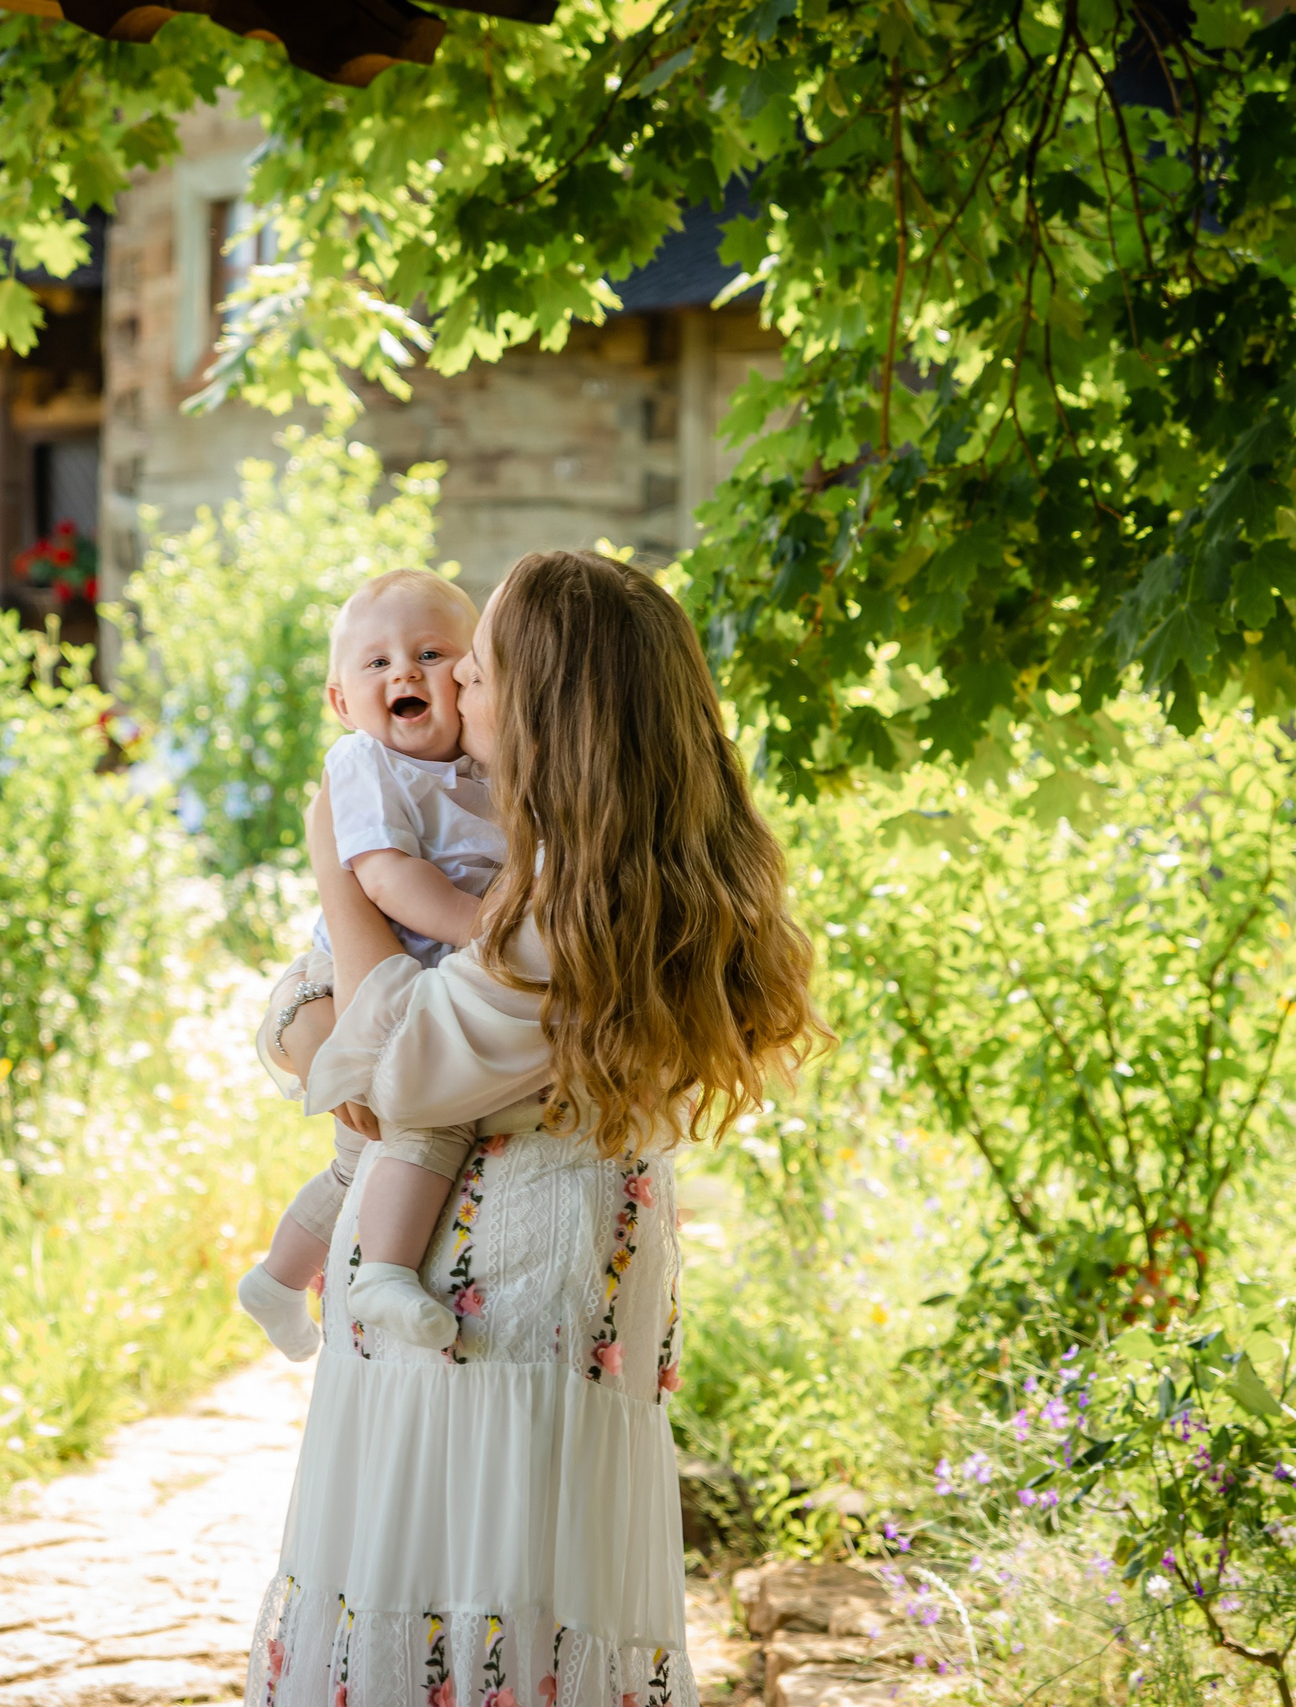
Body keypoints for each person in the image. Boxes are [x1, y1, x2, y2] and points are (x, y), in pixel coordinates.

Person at [246, 549, 820, 1707]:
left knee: (484, 1611)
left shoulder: (571, 906)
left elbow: (393, 1066)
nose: (455, 672)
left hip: (495, 1315)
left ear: (548, 709)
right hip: (502, 1308)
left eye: (484, 658)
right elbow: (325, 1032)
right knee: (477, 1612)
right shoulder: (584, 873)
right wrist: (308, 1018)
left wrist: (338, 867)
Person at [239, 568, 514, 1360]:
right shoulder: (365, 765)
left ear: (469, 677)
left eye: (432, 653)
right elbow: (387, 875)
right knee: (426, 1117)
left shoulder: (477, 770)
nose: (405, 672)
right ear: (342, 702)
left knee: (362, 1153)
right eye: (378, 662)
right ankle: (385, 1275)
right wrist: (481, 927)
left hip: (414, 972)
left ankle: (280, 1279)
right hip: (348, 975)